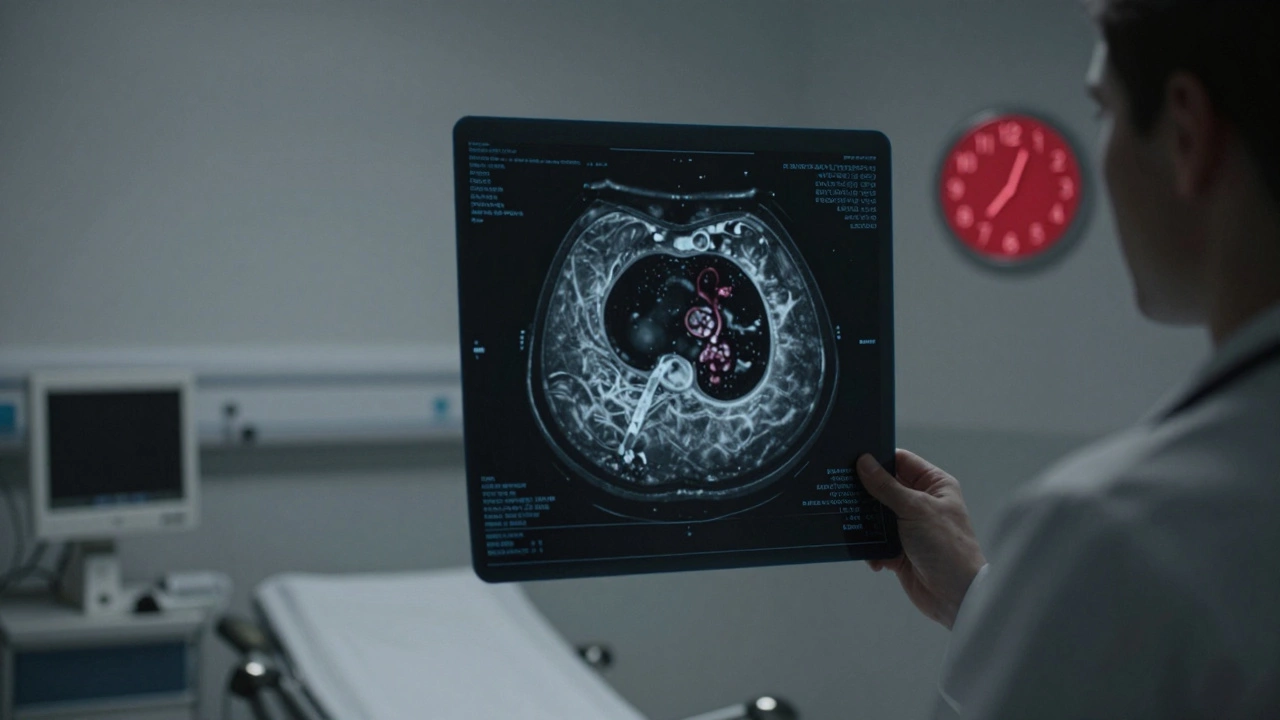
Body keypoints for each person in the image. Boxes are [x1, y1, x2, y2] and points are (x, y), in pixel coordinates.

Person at [854, 1, 1280, 717]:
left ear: (1186, 131)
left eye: (1102, 111)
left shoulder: (1120, 530)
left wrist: (1065, 588)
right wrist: (988, 598)